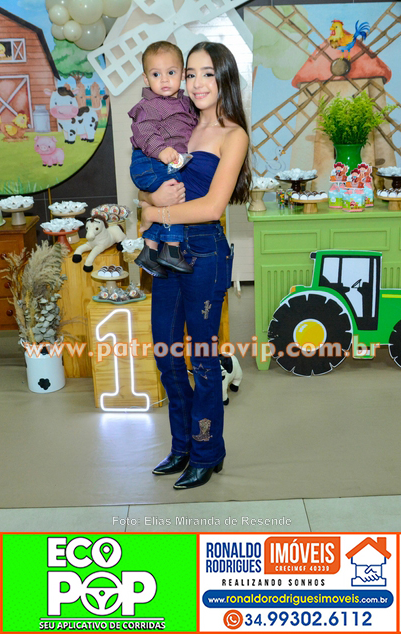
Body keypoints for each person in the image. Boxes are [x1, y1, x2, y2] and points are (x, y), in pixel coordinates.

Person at [138, 41, 251, 490]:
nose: (197, 83)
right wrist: (149, 199)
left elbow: (211, 206)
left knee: (203, 361)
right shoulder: (177, 119)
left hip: (204, 253)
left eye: (208, 73)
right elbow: (149, 181)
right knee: (166, 354)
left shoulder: (233, 135)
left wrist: (154, 213)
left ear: (224, 79)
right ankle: (182, 446)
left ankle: (207, 452)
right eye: (191, 73)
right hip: (167, 254)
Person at [129, 41, 198, 277]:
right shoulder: (148, 106)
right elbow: (145, 132)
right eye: (156, 74)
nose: (164, 80)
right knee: (174, 192)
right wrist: (161, 150)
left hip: (163, 160)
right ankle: (171, 249)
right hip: (150, 160)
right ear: (146, 79)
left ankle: (149, 252)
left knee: (163, 199)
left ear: (182, 74)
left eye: (171, 72)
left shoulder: (185, 103)